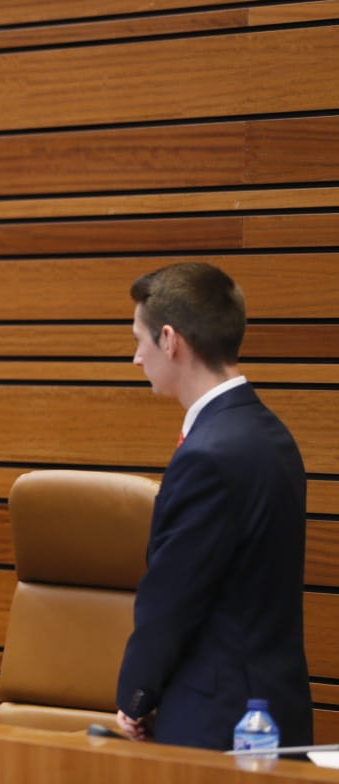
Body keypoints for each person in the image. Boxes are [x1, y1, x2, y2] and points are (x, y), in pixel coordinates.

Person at [115, 262, 312, 749]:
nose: (136, 358)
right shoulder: (271, 434)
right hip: (269, 708)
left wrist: (135, 698)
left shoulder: (209, 454)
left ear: (169, 339)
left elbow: (174, 596)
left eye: (139, 339)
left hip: (218, 722)